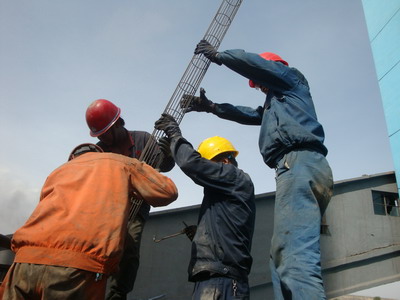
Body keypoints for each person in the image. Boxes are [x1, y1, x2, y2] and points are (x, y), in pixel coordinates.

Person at [182, 40, 334, 300]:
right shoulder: (278, 104)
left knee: (295, 259)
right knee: (279, 258)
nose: (260, 87)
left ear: (274, 68)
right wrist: (212, 107)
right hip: (295, 168)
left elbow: (254, 65)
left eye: (260, 82)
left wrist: (220, 56)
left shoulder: (292, 78)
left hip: (299, 164)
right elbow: (251, 114)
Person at [0, 143, 178, 300]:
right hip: (75, 271)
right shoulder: (120, 163)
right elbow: (167, 191)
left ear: (73, 159)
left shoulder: (57, 172)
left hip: (23, 264)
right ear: (99, 153)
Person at [155, 113, 256, 300]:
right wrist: (202, 237)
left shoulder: (236, 178)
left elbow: (191, 164)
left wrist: (175, 135)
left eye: (209, 164)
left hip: (224, 280)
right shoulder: (223, 192)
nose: (207, 171)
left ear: (225, 161)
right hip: (213, 279)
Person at [85, 99, 175, 300]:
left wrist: (169, 154)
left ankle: (118, 294)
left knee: (130, 249)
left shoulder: (143, 139)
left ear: (117, 123)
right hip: (108, 210)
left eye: (104, 133)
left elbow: (164, 167)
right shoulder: (99, 151)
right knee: (98, 249)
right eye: (99, 135)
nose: (103, 139)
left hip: (136, 209)